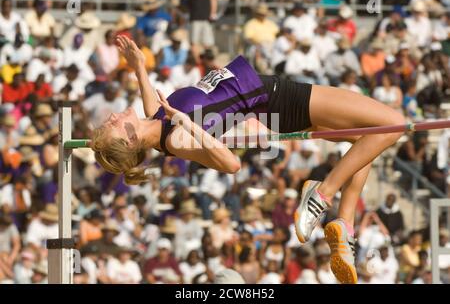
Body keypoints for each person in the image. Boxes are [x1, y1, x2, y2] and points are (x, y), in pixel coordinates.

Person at [91, 35, 406, 284]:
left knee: (367, 141)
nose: (114, 115)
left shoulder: (157, 123)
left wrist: (139, 68)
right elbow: (231, 164)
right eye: (113, 123)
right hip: (275, 98)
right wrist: (188, 124)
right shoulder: (176, 135)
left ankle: (344, 225)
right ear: (130, 139)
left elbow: (152, 113)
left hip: (267, 106)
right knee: (392, 124)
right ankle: (322, 194)